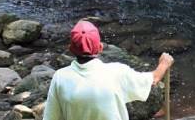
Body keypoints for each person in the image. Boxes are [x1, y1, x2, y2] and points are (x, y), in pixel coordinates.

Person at [43, 21, 174, 120]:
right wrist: (164, 63)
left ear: (70, 49)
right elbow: (153, 79)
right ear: (100, 48)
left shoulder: (60, 77)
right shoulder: (117, 72)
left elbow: (51, 117)